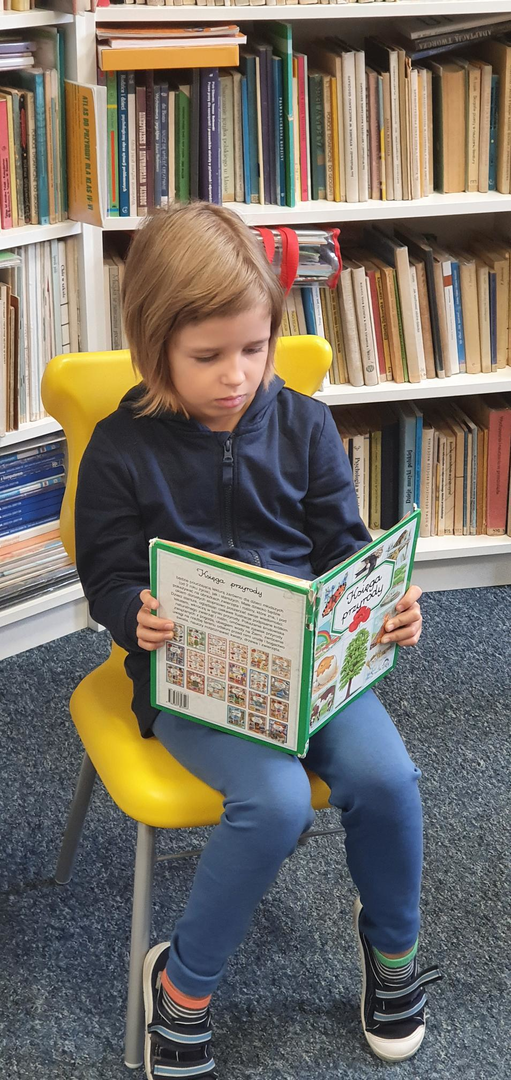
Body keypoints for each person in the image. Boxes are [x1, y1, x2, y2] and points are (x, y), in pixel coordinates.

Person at [75, 203, 441, 1080]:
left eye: (254, 348)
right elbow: (107, 573)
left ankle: (391, 953)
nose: (236, 376)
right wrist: (133, 615)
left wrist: (385, 601)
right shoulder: (119, 450)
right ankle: (182, 986)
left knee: (388, 779)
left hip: (310, 668)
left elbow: (342, 545)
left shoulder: (304, 424)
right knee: (275, 803)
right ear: (154, 347)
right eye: (207, 357)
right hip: (191, 675)